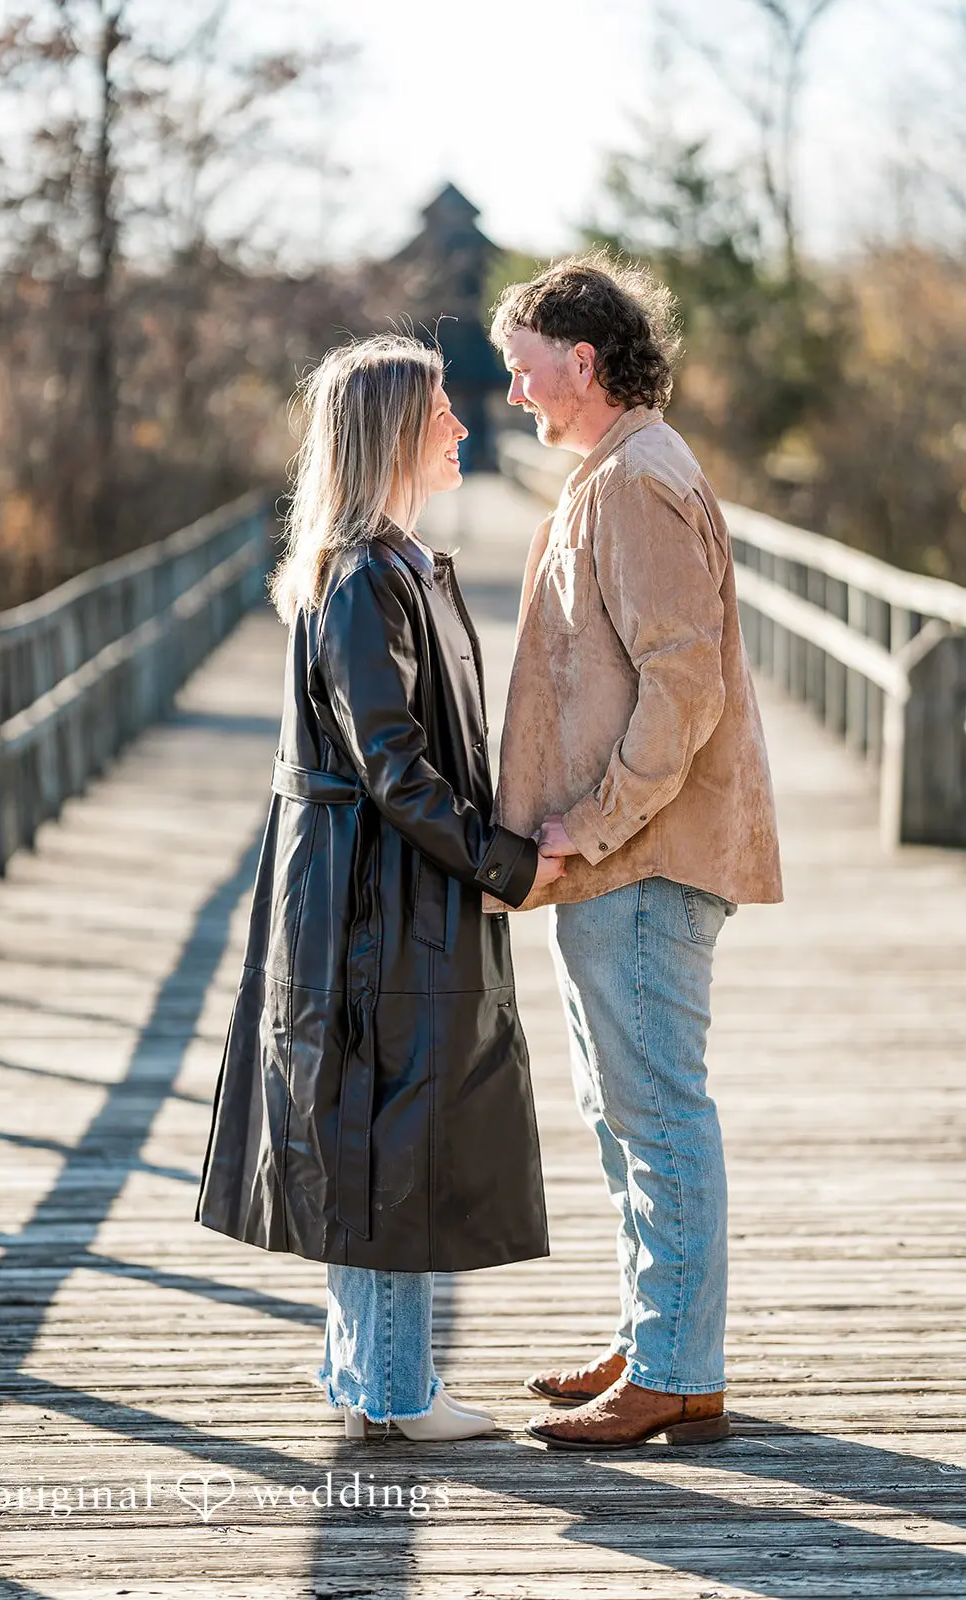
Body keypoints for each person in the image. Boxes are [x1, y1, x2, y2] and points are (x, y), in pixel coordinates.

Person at [196, 334, 563, 1443]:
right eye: (440, 412)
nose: (461, 426)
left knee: (379, 1127)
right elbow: (394, 763)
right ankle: (399, 1387)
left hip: (378, 891)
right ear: (392, 433)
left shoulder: (389, 564)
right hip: (371, 903)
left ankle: (364, 1376)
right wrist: (505, 862)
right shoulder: (363, 578)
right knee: (394, 1131)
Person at [487, 252, 783, 1451]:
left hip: (643, 857)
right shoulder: (613, 472)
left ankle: (676, 1367)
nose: (513, 394)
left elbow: (682, 685)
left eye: (521, 371)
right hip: (608, 862)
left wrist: (588, 823)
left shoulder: (635, 482)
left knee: (656, 1109)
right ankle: (650, 1330)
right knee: (621, 1110)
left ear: (582, 359)